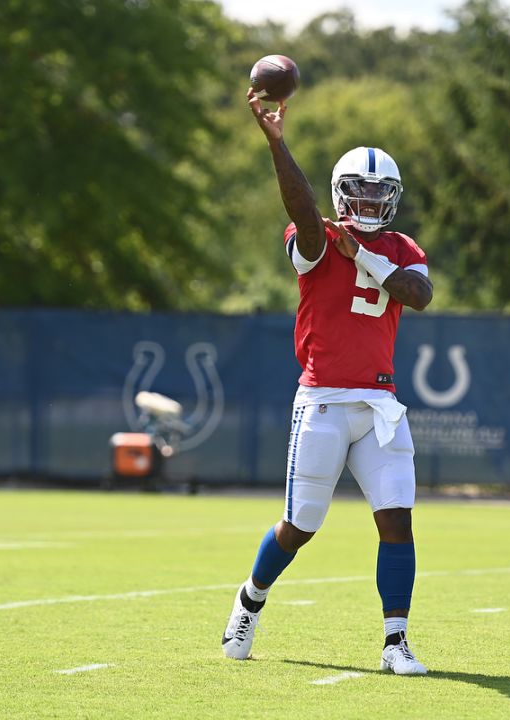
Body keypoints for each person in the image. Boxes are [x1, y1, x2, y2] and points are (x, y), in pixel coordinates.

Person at [220, 89, 434, 675]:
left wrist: (364, 253)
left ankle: (395, 642)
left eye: (378, 192)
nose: (367, 200)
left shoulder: (400, 247)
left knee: (397, 517)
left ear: (391, 199)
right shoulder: (314, 238)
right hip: (324, 401)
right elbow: (301, 211)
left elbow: (418, 296)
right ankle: (250, 600)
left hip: (380, 403)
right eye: (357, 191)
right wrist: (277, 144)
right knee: (300, 526)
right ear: (340, 194)